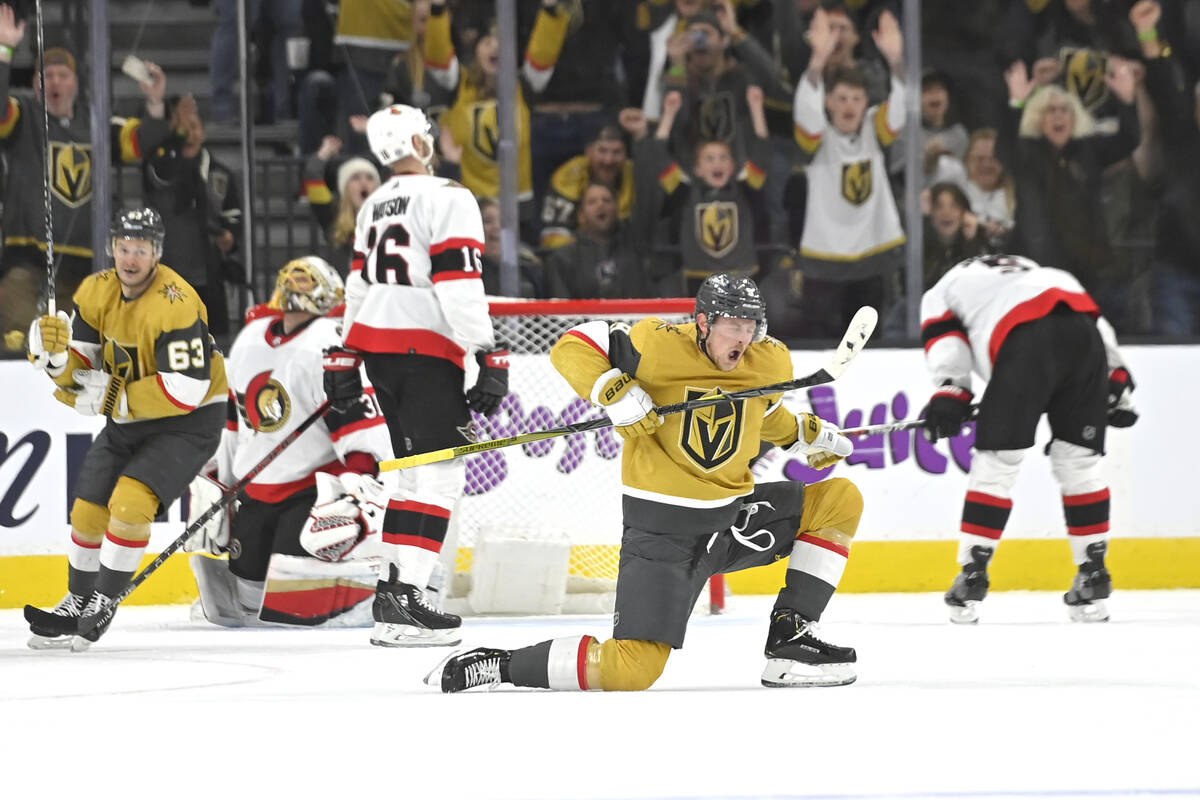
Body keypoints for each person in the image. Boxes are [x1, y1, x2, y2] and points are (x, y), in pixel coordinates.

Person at [431, 273, 865, 693]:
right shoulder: (655, 344)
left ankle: (790, 640)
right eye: (733, 326)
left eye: (751, 327)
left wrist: (803, 435)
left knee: (838, 499)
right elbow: (573, 343)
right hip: (664, 537)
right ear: (703, 322)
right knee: (630, 670)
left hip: (731, 523)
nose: (743, 339)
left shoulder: (767, 360)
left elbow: (761, 412)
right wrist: (611, 390)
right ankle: (501, 665)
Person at [326, 103, 510, 647]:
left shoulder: (374, 203)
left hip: (379, 350)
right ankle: (407, 596)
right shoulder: (450, 197)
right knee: (441, 475)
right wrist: (486, 351)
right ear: (418, 141)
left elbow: (357, 287)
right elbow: (458, 283)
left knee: (409, 475)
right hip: (425, 350)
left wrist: (345, 352)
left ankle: (393, 596)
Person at [23, 208, 228, 650]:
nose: (130, 259)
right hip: (131, 418)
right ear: (111, 248)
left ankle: (103, 600)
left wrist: (114, 398)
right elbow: (82, 366)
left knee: (130, 504)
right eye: (123, 248)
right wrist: (56, 362)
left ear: (156, 253)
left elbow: (188, 389)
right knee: (87, 510)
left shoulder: (177, 301)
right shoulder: (97, 291)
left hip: (188, 422)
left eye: (140, 250)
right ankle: (77, 601)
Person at [920, 254, 1137, 625]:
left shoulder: (942, 289)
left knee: (998, 463)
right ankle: (1093, 570)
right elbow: (1094, 322)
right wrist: (1117, 380)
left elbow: (946, 339)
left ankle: (973, 572)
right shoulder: (1043, 270)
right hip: (1083, 339)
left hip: (1024, 342)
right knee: (1079, 463)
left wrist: (952, 391)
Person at [184, 256, 395, 628]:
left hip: (309, 491)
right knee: (249, 596)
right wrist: (224, 484)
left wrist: (357, 494)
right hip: (256, 491)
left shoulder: (328, 346)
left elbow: (359, 429)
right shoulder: (251, 340)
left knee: (291, 597)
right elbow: (237, 422)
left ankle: (369, 586)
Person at [0, 6, 171, 356]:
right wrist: (4, 52)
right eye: (46, 75)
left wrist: (154, 101)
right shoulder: (23, 115)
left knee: (77, 349)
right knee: (17, 340)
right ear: (35, 84)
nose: (56, 82)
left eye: (63, 74)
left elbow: (141, 142)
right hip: (24, 261)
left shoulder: (96, 124)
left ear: (76, 82)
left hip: (83, 265)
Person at [790, 8, 906, 338]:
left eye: (856, 98)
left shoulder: (874, 127)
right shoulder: (817, 134)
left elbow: (900, 106)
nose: (848, 105)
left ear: (866, 102)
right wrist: (817, 61)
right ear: (828, 102)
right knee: (824, 343)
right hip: (824, 262)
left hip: (872, 257)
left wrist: (896, 60)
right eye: (841, 98)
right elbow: (806, 108)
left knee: (869, 344)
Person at [638, 85, 771, 296]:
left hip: (742, 276)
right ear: (697, 169)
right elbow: (657, 154)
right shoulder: (685, 192)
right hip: (699, 279)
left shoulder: (746, 188)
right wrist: (669, 114)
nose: (716, 164)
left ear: (733, 166)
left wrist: (756, 108)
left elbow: (763, 150)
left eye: (723, 158)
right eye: (709, 159)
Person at [143, 95, 243, 340]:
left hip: (209, 272)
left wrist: (229, 236)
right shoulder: (158, 164)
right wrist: (176, 137)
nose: (189, 125)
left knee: (214, 341)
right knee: (166, 339)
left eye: (194, 119)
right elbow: (161, 176)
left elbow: (233, 217)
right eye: (182, 119)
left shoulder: (221, 173)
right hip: (165, 270)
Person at [539, 124, 635, 251]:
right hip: (577, 257)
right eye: (602, 151)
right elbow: (554, 236)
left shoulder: (636, 174)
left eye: (617, 152)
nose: (608, 160)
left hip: (624, 255)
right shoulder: (567, 177)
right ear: (588, 151)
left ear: (626, 155)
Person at [543, 183, 646, 299]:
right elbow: (560, 308)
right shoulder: (563, 259)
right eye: (592, 202)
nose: (601, 205)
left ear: (617, 211)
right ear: (581, 216)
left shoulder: (634, 253)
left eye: (607, 200)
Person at [303, 135, 382, 276]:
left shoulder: (392, 216)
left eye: (370, 178)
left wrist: (371, 134)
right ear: (344, 188)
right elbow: (312, 174)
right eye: (355, 178)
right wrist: (326, 151)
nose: (364, 183)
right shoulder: (332, 216)